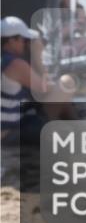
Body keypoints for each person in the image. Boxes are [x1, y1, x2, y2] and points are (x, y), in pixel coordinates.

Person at [1, 16, 49, 148]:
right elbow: (45, 89)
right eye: (23, 39)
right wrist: (38, 56)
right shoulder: (15, 64)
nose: (25, 43)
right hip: (7, 135)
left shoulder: (4, 60)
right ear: (11, 40)